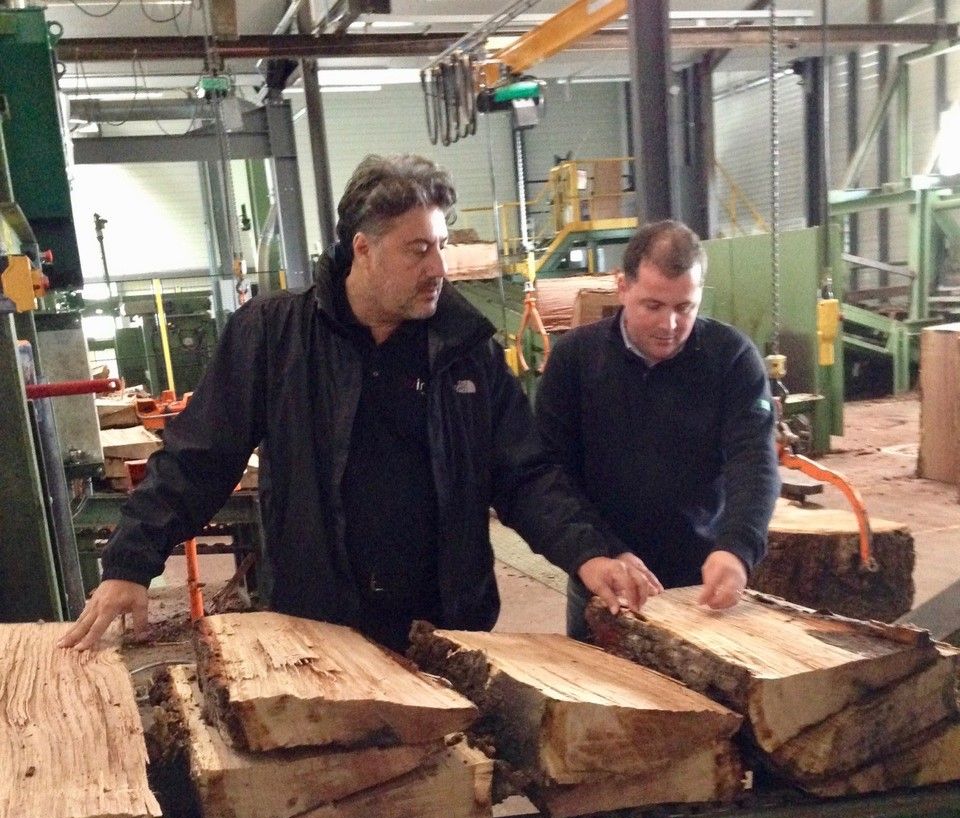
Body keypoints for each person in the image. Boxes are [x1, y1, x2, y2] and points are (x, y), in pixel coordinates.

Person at [61, 154, 660, 653]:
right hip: (318, 627)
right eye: (417, 250)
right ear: (363, 250)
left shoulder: (465, 349)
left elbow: (525, 475)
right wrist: (130, 561)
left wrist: (590, 553)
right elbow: (200, 458)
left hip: (445, 630)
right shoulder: (276, 336)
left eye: (442, 246)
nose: (439, 270)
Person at [535, 219, 780, 641]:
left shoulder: (732, 358)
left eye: (685, 308)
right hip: (602, 582)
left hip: (698, 586)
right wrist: (598, 552)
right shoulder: (574, 361)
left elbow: (754, 460)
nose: (669, 325)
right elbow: (550, 477)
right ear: (622, 286)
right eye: (653, 306)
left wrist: (737, 548)